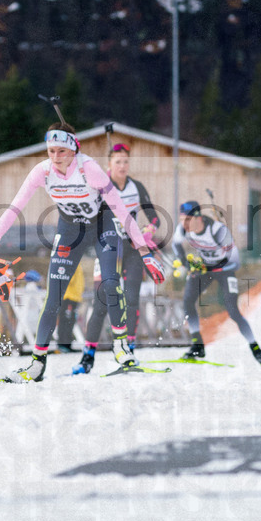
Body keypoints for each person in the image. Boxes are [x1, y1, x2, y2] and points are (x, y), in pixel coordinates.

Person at [0, 123, 165, 382]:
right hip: (70, 229)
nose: (56, 157)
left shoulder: (90, 169)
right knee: (54, 295)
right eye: (51, 151)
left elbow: (121, 211)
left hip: (102, 224)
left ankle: (122, 347)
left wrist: (145, 253)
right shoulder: (41, 172)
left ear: (74, 150)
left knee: (110, 283)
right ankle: (37, 364)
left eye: (62, 151)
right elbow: (15, 206)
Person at [77, 143, 161, 373]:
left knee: (132, 299)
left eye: (125, 161)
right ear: (109, 165)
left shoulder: (137, 186)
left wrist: (147, 232)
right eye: (118, 162)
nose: (122, 166)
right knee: (102, 302)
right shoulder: (101, 185)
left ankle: (129, 350)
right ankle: (88, 356)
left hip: (132, 248)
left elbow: (154, 218)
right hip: (107, 247)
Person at [171, 200, 261, 365]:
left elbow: (235, 262)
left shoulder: (218, 231)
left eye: (187, 220)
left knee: (232, 310)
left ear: (198, 218)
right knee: (187, 301)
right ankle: (198, 345)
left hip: (225, 269)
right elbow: (175, 244)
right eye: (181, 220)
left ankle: (255, 348)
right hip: (204, 269)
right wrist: (185, 263)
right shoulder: (183, 229)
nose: (183, 224)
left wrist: (209, 266)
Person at [55, 263, 84, 353]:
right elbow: (67, 279)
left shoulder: (77, 263)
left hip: (74, 297)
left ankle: (67, 344)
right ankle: (63, 344)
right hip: (69, 297)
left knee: (70, 321)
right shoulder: (71, 263)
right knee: (66, 321)